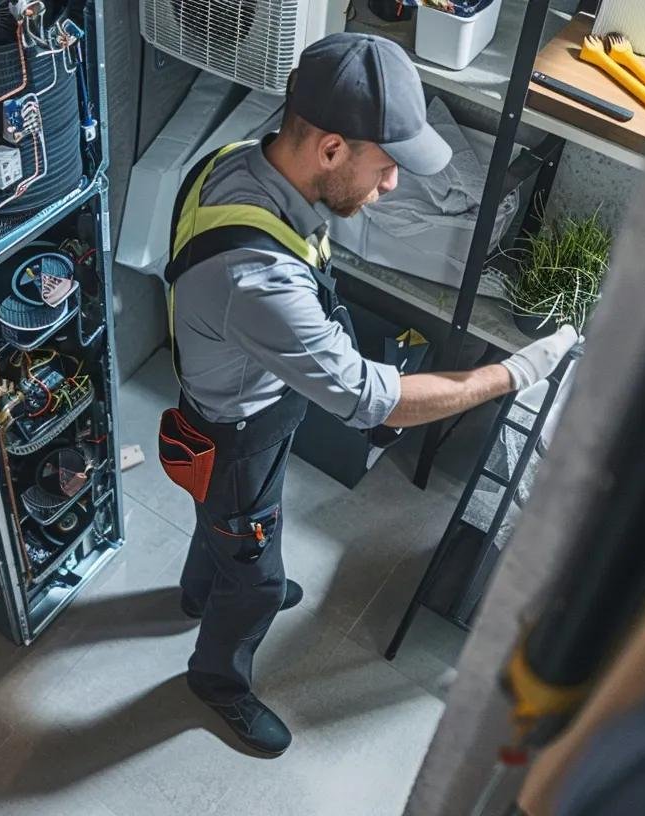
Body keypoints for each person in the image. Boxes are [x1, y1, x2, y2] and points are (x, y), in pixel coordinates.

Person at [164, 32, 579, 757]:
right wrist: (513, 373)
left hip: (237, 402)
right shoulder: (258, 283)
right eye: (385, 168)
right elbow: (375, 401)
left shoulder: (237, 161)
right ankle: (216, 678)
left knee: (230, 524)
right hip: (236, 430)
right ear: (329, 148)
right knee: (255, 567)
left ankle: (205, 587)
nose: (392, 187)